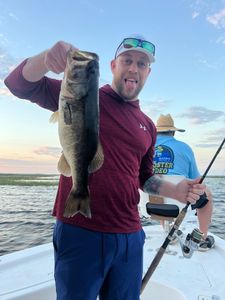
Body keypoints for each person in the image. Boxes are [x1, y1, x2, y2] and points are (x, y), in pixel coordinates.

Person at [4, 35, 207, 300]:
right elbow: (17, 84)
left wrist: (176, 190)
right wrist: (45, 59)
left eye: (141, 64)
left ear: (148, 72)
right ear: (113, 65)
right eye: (127, 61)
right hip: (80, 231)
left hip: (129, 235)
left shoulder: (148, 125)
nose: (133, 68)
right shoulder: (82, 94)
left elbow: (143, 177)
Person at [152, 113, 214, 250]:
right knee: (207, 195)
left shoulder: (145, 146)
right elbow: (196, 179)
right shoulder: (184, 148)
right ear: (173, 131)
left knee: (157, 188)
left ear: (156, 131)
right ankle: (201, 239)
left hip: (150, 203)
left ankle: (169, 231)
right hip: (179, 199)